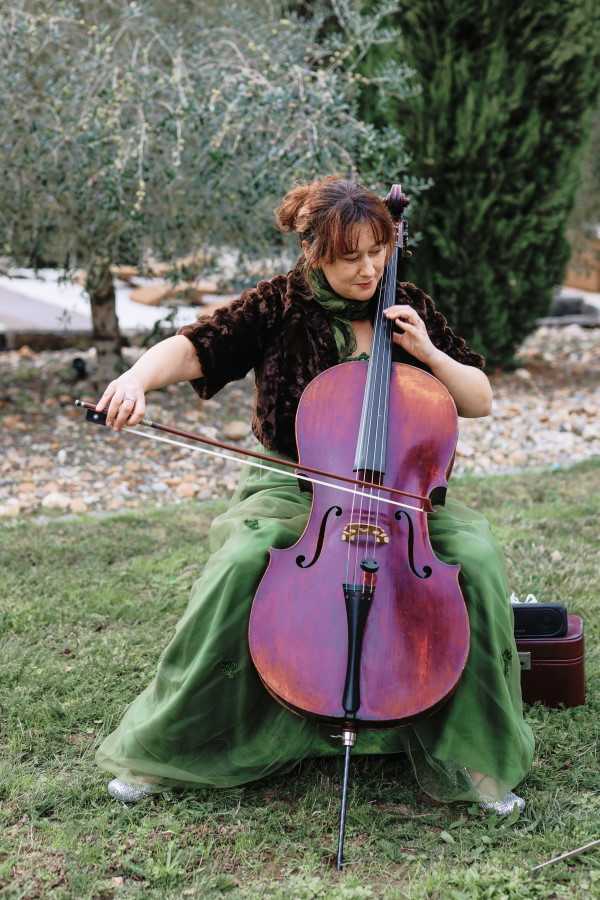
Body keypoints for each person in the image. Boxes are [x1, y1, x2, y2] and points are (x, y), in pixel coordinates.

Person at [94, 176, 534, 814]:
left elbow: (479, 398)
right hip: (295, 486)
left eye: (378, 251)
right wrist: (136, 379)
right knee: (243, 562)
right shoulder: (279, 303)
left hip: (401, 496)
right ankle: (175, 743)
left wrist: (429, 352)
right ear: (314, 252)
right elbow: (194, 350)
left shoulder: (409, 304)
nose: (369, 269)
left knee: (477, 557)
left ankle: (474, 753)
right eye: (350, 256)